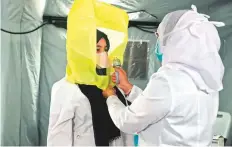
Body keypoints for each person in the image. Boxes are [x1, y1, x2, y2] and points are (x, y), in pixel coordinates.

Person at [102, 5, 225, 146]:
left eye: (159, 37)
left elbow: (128, 122)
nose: (158, 44)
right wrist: (129, 88)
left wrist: (111, 97)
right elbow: (164, 105)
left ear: (176, 40)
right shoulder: (208, 80)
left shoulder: (168, 79)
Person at [47, 30, 132, 146]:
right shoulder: (65, 87)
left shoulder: (111, 85)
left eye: (105, 49)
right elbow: (58, 137)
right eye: (97, 49)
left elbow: (125, 126)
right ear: (83, 52)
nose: (104, 55)